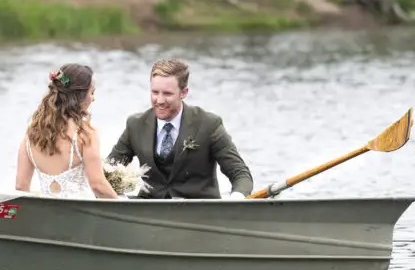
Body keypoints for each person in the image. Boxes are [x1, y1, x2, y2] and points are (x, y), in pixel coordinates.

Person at [107, 58, 254, 200]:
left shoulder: (209, 124)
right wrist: (116, 196)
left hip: (199, 212)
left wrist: (235, 199)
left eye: (167, 94)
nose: (159, 100)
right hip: (149, 211)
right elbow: (108, 170)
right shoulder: (135, 125)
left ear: (184, 93)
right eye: (155, 92)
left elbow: (240, 174)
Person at [15, 63, 121, 199]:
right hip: (82, 216)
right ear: (79, 95)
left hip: (47, 215)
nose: (93, 98)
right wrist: (123, 206)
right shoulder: (85, 133)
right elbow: (98, 185)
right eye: (92, 92)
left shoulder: (31, 134)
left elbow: (21, 187)